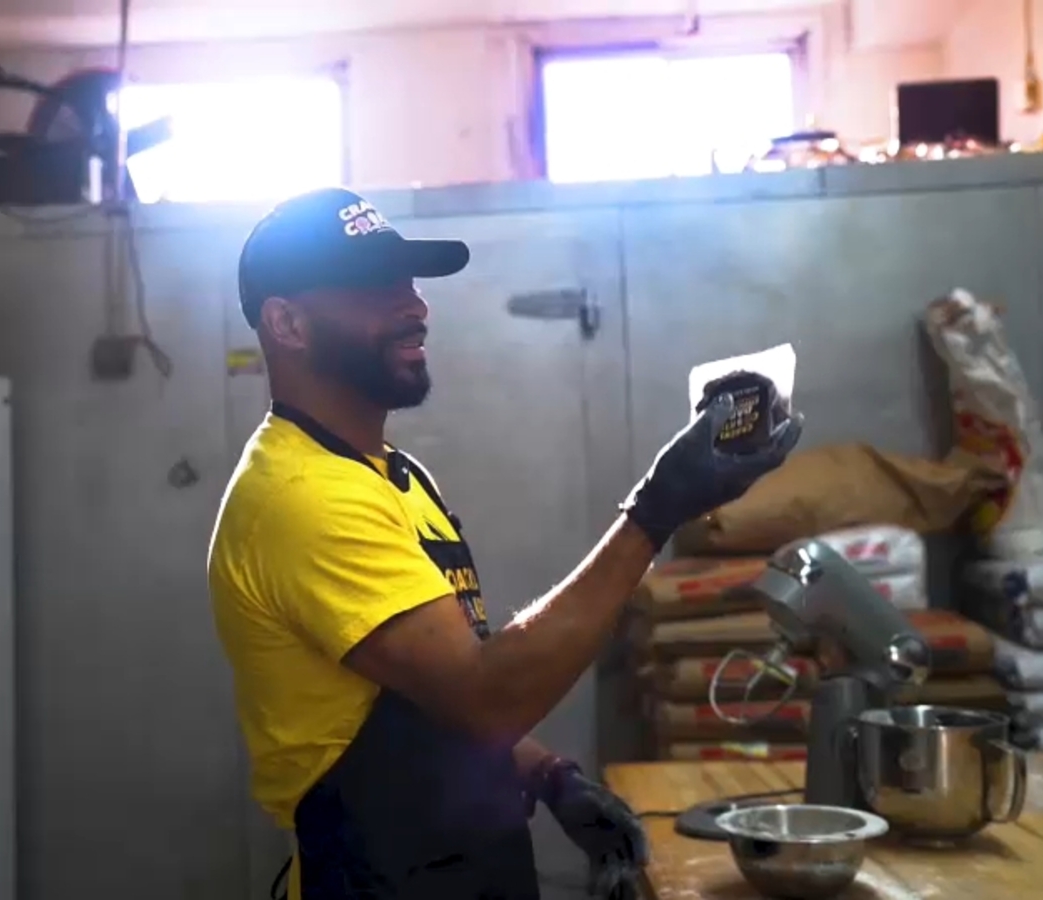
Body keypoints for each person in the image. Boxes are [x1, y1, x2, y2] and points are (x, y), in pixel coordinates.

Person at [207, 187, 802, 900]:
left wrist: (548, 775)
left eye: (409, 281)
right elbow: (482, 695)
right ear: (287, 323)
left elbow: (425, 694)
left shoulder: (392, 475)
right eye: (374, 286)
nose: (415, 306)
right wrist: (655, 511)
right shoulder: (302, 495)